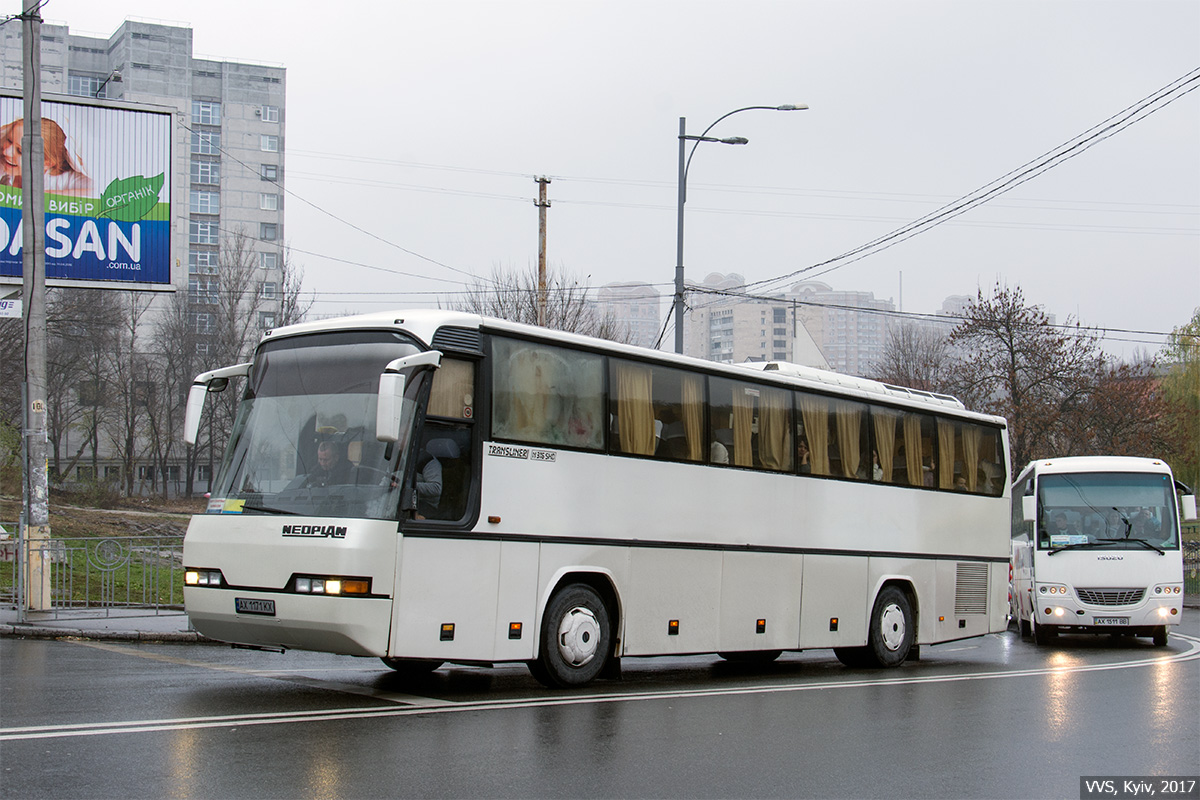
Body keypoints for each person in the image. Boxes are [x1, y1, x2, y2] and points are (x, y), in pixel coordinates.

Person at [0, 118, 93, 194]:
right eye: (9, 140)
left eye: (20, 151)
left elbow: (99, 191)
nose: (6, 152)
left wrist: (48, 196)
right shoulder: (3, 165)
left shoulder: (62, 180)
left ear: (46, 163)